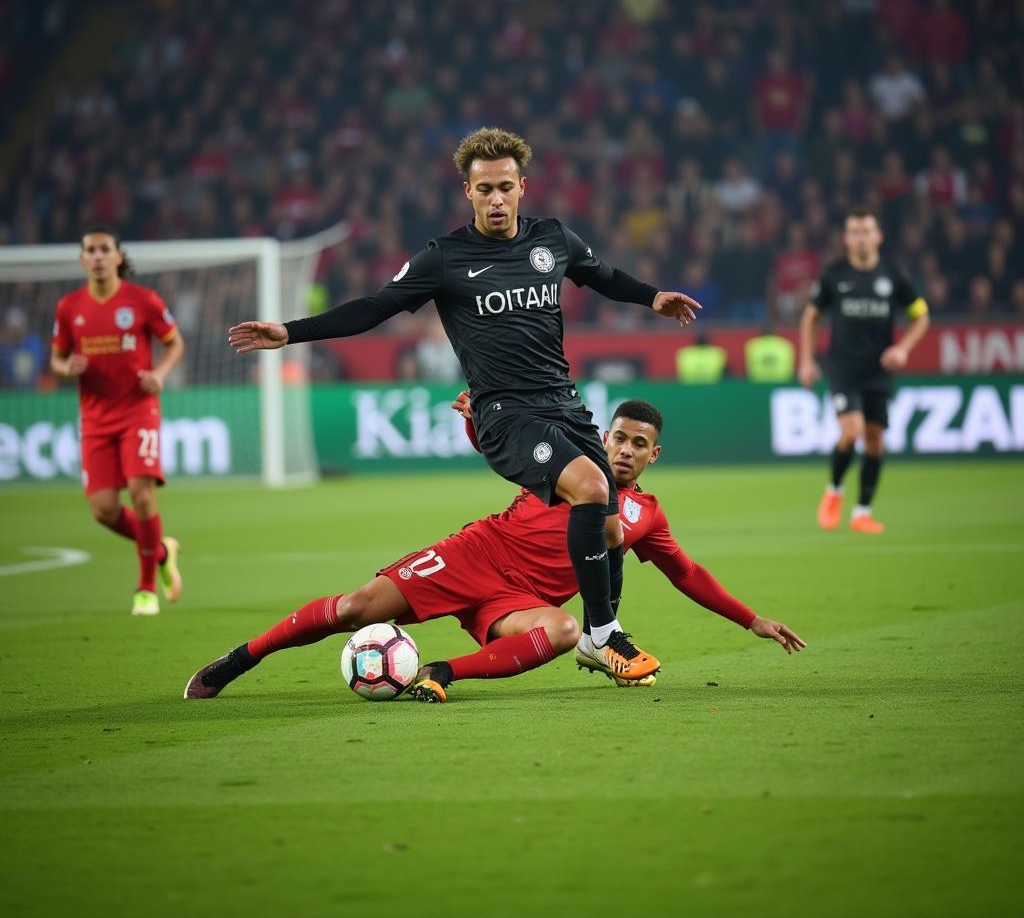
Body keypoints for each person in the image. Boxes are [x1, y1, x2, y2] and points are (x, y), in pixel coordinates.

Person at [227, 127, 701, 682]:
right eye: (484, 190)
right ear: (467, 193)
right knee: (595, 492)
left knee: (612, 529)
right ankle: (602, 638)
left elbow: (604, 277)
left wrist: (652, 297)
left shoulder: (553, 241)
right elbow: (374, 308)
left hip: (566, 412)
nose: (496, 200)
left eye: (505, 188)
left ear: (523, 187)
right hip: (504, 413)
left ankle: (598, 631)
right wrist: (290, 331)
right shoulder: (445, 257)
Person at [185, 398, 804, 702]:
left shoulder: (647, 516)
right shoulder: (574, 464)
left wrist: (754, 620)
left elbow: (687, 573)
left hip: (521, 601)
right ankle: (239, 661)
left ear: (653, 455)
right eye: (618, 438)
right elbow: (503, 448)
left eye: (638, 445)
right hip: (475, 554)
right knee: (355, 608)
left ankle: (442, 673)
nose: (623, 451)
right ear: (605, 436)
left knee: (563, 629)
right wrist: (474, 423)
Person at [50, 225, 186, 615]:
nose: (96, 256)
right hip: (95, 418)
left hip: (138, 410)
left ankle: (145, 589)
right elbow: (56, 358)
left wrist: (159, 375)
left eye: (103, 249)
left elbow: (174, 342)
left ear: (118, 257)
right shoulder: (69, 307)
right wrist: (65, 367)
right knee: (103, 510)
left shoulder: (142, 301)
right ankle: (162, 550)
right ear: (82, 259)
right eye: (89, 250)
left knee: (142, 495)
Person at [798, 209, 930, 533]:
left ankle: (862, 512)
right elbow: (810, 317)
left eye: (866, 231)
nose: (860, 237)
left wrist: (903, 348)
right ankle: (834, 491)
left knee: (875, 440)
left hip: (879, 370)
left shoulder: (894, 275)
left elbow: (922, 316)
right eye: (854, 232)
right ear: (845, 239)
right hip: (843, 367)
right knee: (852, 431)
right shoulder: (834, 276)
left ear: (878, 236)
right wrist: (806, 359)